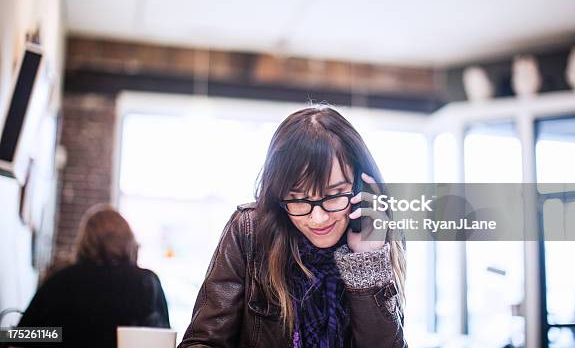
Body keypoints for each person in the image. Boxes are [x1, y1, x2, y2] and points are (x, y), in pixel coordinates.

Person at [180, 105, 408, 348]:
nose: (317, 218)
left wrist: (367, 260)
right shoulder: (248, 230)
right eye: (299, 198)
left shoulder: (380, 235)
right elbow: (202, 342)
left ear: (360, 188)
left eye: (333, 195)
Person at [16, 204, 170, 348]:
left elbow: (21, 337)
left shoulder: (60, 279)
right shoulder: (145, 283)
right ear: (128, 241)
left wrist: (63, 334)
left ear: (85, 240)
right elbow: (161, 340)